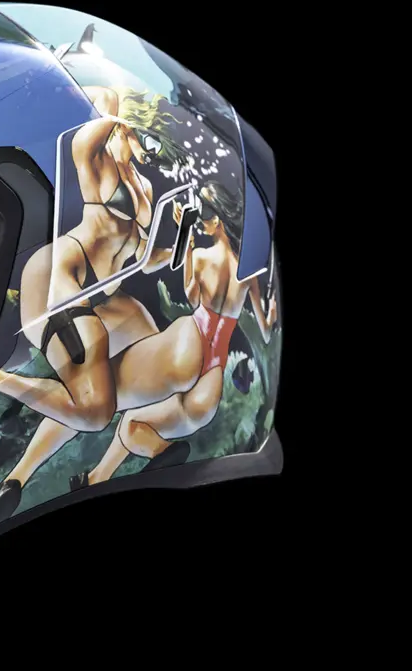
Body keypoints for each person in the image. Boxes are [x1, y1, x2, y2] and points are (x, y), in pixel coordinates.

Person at [0, 88, 182, 539]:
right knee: (95, 411)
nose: (152, 151)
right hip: (62, 276)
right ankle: (2, 381)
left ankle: (19, 479)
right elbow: (93, 120)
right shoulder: (96, 159)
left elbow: (140, 258)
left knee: (144, 346)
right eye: (146, 137)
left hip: (102, 292)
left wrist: (178, 238)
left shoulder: (140, 185)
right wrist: (118, 110)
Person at [70, 181, 277, 489]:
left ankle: (152, 455)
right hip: (212, 374)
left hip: (191, 344)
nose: (202, 223)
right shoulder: (248, 272)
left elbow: (192, 297)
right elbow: (266, 329)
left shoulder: (204, 258)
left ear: (218, 220)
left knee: (127, 418)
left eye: (204, 216)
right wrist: (271, 312)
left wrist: (187, 243)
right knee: (133, 422)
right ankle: (98, 478)